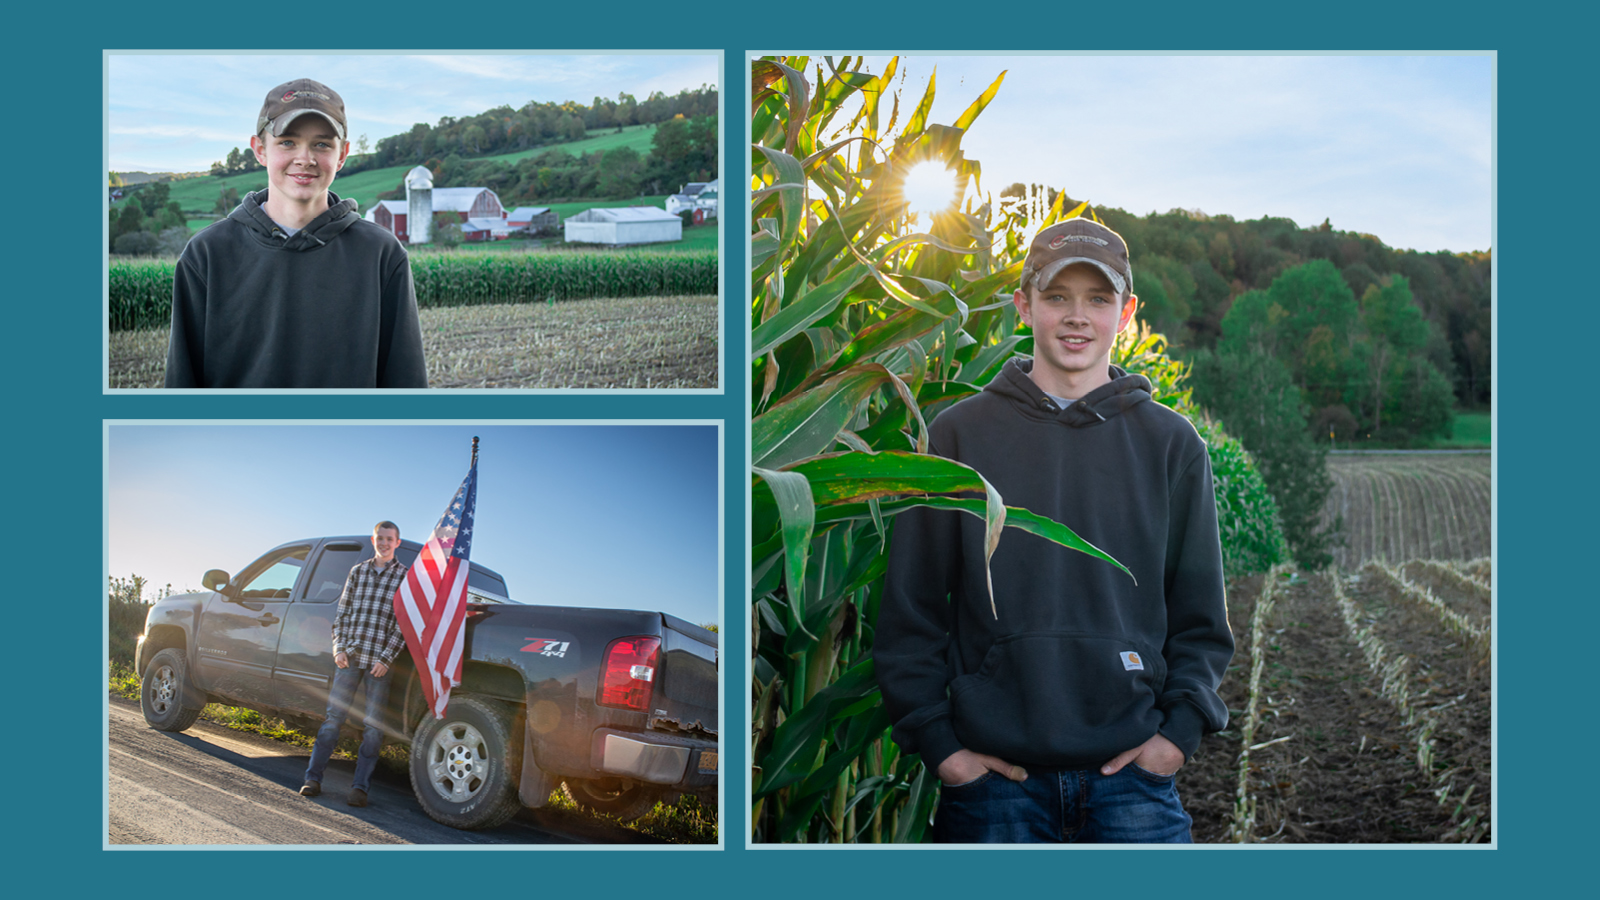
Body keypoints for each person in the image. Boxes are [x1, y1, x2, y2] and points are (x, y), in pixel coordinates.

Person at [875, 218, 1234, 843]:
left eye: (1099, 299)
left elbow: (1201, 618)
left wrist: (1175, 739)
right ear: (1024, 304)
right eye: (1057, 297)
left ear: (1126, 314)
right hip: (994, 794)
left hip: (1134, 789)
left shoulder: (1171, 445)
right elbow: (912, 611)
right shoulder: (959, 437)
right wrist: (944, 751)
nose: (1077, 317)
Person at [165, 78, 428, 388]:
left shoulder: (381, 254)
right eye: (287, 142)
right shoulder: (206, 254)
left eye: (322, 144)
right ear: (260, 150)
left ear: (342, 154)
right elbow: (182, 389)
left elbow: (406, 386)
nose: (305, 159)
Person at [301, 521, 409, 807]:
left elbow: (403, 625)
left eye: (390, 539)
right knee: (332, 721)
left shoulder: (404, 578)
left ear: (397, 542)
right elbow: (343, 614)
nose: (384, 543)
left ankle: (359, 788)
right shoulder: (358, 572)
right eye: (380, 538)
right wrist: (339, 649)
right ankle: (312, 778)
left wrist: (386, 658)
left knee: (373, 728)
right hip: (349, 658)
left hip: (379, 664)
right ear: (374, 539)